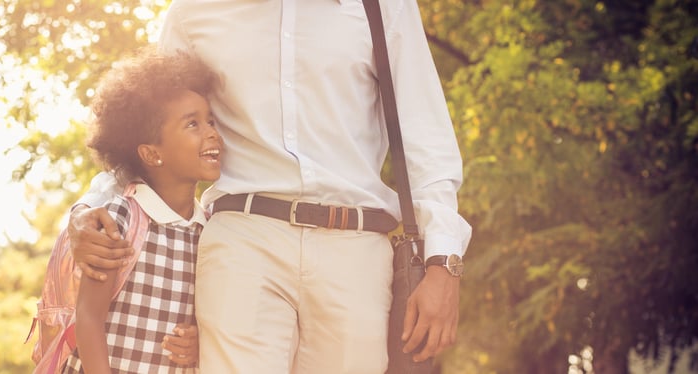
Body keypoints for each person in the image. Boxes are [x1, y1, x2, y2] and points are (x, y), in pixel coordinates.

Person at [68, 1, 472, 373]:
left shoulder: (381, 6)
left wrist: (444, 264)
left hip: (356, 247)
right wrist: (87, 208)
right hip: (244, 239)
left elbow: (427, 139)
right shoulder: (194, 10)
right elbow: (152, 130)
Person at [61, 45, 222, 373]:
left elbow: (198, 317)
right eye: (192, 125)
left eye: (211, 121)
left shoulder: (210, 230)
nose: (212, 133)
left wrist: (197, 341)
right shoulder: (121, 218)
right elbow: (89, 319)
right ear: (151, 154)